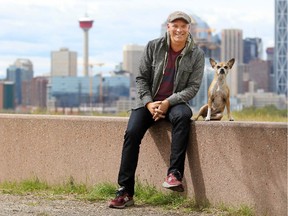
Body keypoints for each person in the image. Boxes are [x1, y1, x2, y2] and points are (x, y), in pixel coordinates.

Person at [108, 11, 205, 209]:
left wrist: (168, 102)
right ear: (168, 27)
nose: (179, 29)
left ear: (188, 29)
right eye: (175, 25)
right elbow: (142, 78)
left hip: (175, 103)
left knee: (183, 117)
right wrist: (149, 103)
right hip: (149, 102)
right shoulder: (153, 46)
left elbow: (193, 88)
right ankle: (125, 191)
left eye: (183, 26)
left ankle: (174, 174)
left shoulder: (197, 54)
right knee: (132, 133)